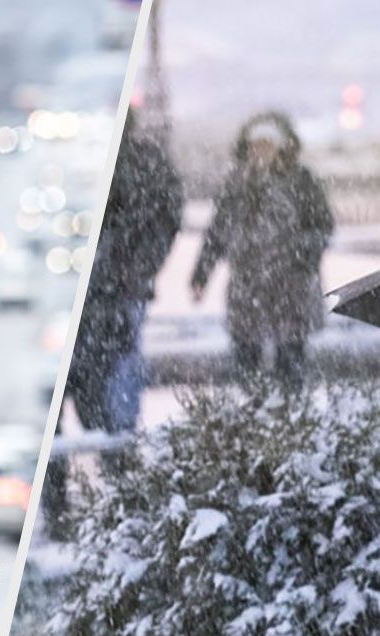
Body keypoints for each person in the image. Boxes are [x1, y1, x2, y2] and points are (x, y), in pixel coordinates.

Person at [188, 111, 333, 379]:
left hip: (292, 288)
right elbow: (217, 233)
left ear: (281, 148)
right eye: (257, 145)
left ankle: (288, 414)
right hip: (247, 286)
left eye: (268, 145)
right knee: (246, 365)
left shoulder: (302, 181)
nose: (261, 152)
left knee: (291, 365)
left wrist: (301, 255)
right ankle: (253, 413)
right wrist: (201, 275)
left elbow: (323, 228)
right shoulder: (235, 185)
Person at [68, 109, 183, 434]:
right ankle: (109, 448)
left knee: (116, 372)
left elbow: (166, 218)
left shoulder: (144, 163)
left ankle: (117, 449)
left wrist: (139, 266)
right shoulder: (142, 162)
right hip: (109, 287)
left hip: (121, 289)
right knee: (103, 374)